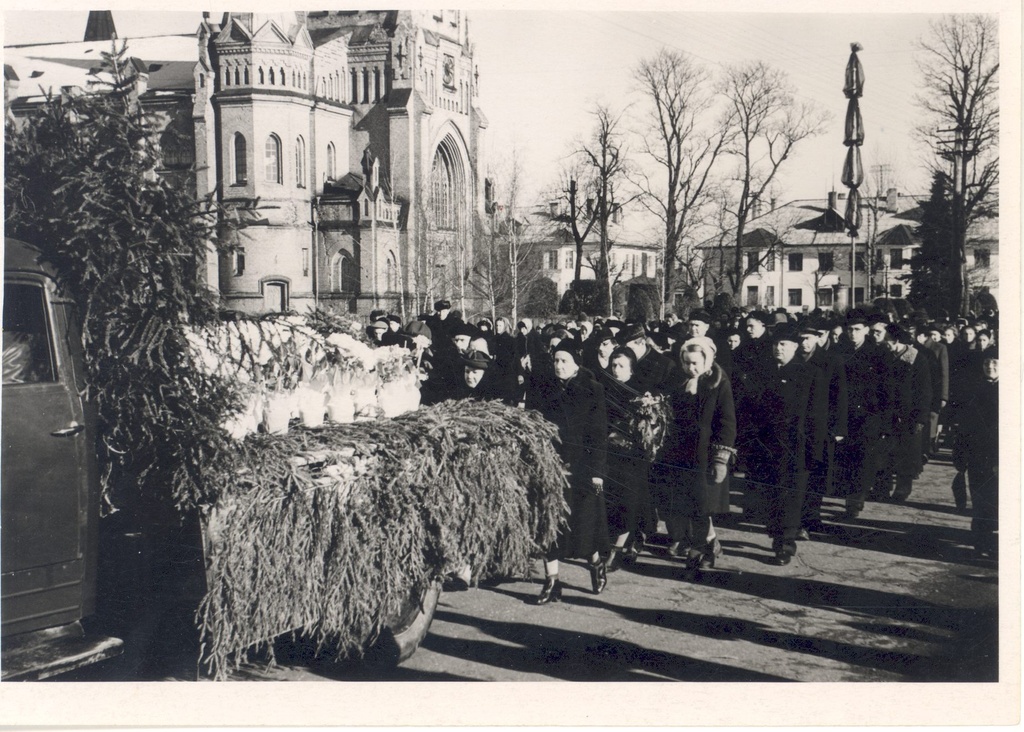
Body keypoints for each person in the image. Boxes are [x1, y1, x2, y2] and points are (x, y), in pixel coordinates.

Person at [528, 341, 610, 604]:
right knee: (548, 523)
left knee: (585, 524)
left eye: (565, 361)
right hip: (551, 467)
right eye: (556, 360)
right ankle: (552, 581)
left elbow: (598, 434)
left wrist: (597, 473)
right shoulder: (544, 388)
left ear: (577, 362)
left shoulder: (592, 390)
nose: (559, 366)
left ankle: (596, 563)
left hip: (585, 470)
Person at [744, 324, 827, 565]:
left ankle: (786, 543)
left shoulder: (810, 374)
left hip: (796, 446)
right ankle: (777, 534)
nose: (778, 349)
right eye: (775, 344)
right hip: (768, 445)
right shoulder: (763, 372)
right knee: (771, 493)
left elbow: (817, 416)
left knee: (791, 495)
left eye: (783, 345)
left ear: (794, 347)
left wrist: (814, 449)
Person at [655, 336, 736, 570]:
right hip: (677, 452)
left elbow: (727, 421)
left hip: (704, 455)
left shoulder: (718, 382)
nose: (690, 368)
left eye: (695, 363)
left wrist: (721, 458)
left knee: (701, 506)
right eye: (686, 363)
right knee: (682, 505)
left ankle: (700, 552)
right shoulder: (676, 379)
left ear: (707, 360)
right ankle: (706, 543)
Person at [596, 346, 649, 571]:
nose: (616, 370)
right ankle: (620, 543)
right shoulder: (604, 388)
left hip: (633, 456)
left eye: (621, 366)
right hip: (609, 453)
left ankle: (619, 549)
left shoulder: (641, 392)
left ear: (631, 369)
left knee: (628, 501)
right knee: (611, 500)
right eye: (613, 365)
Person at [958, 349, 999, 557]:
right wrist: (960, 455)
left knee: (996, 500)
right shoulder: (974, 388)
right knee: (979, 497)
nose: (990, 367)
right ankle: (980, 541)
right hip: (976, 455)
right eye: (986, 363)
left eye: (995, 363)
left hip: (999, 457)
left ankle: (993, 542)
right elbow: (964, 424)